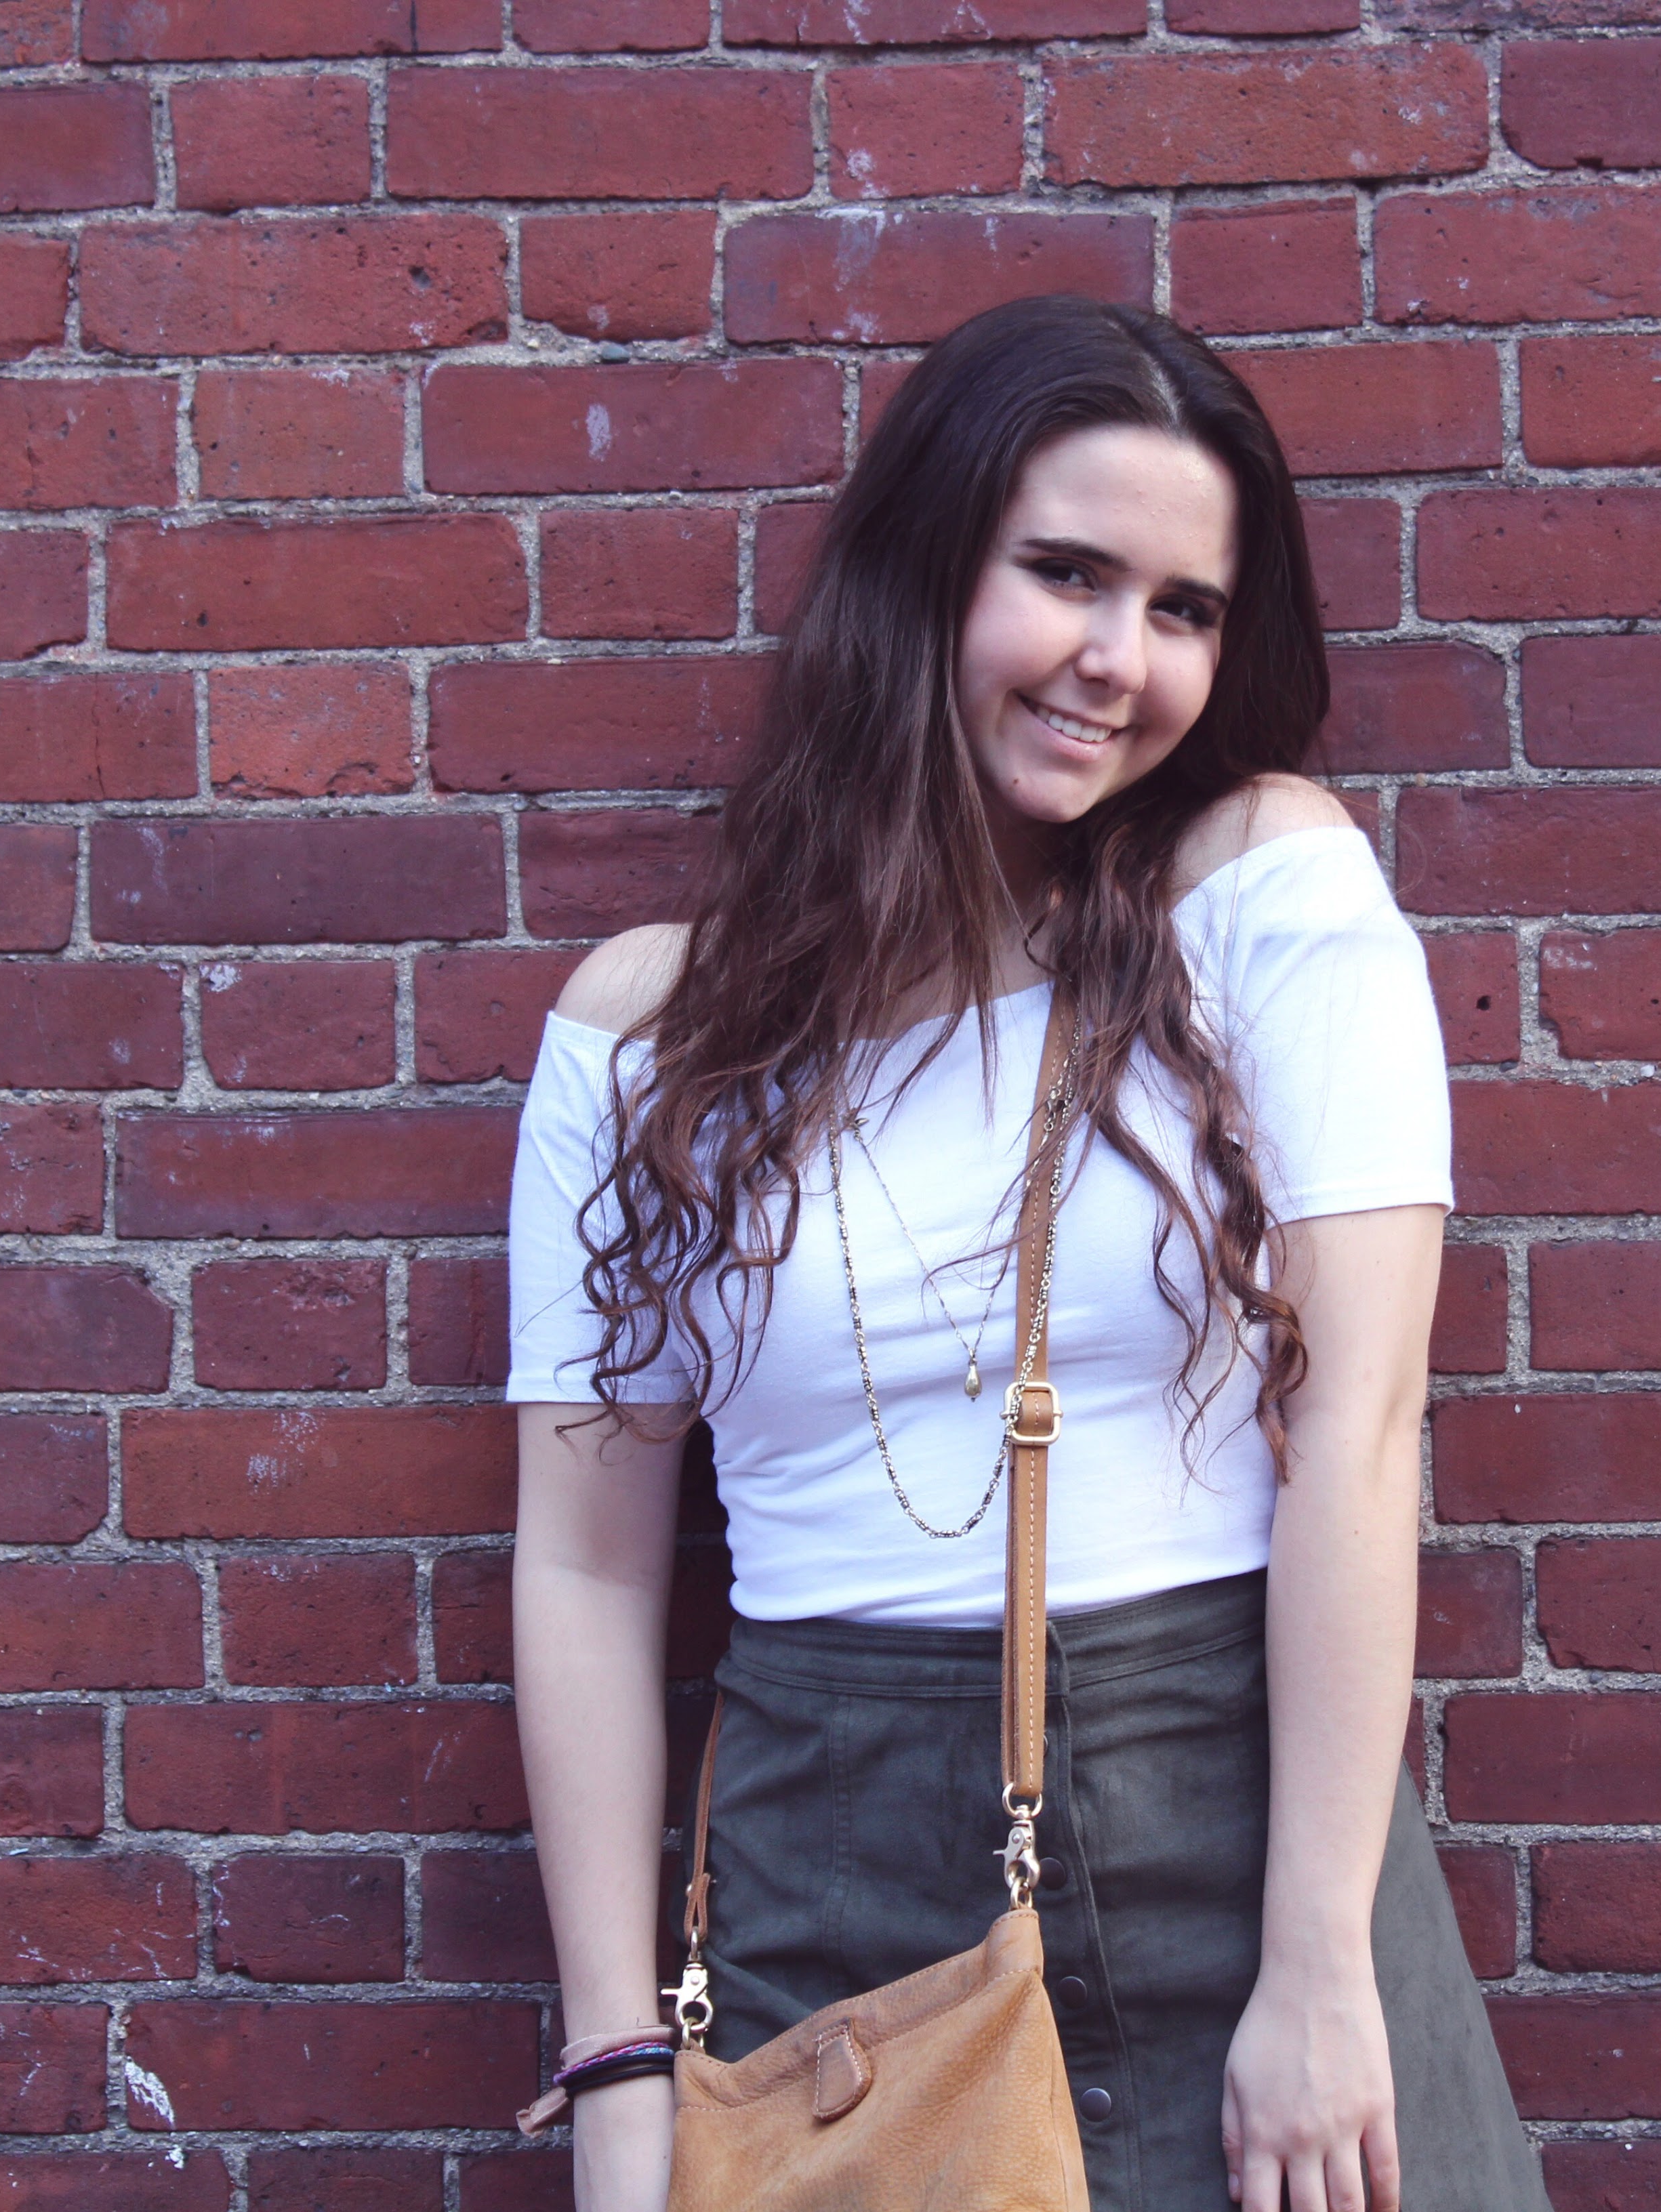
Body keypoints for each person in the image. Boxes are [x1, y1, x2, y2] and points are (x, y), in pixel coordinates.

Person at [505, 293, 1544, 2212]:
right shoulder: (648, 1036)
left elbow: (1362, 1430)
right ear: (922, 569)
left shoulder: (1258, 893)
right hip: (828, 1888)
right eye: (1065, 573)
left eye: (1183, 608)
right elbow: (583, 1563)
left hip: (1229, 1833)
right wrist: (617, 2069)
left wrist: (1320, 1963)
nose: (1116, 659)